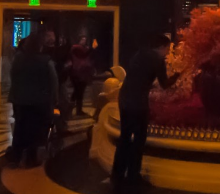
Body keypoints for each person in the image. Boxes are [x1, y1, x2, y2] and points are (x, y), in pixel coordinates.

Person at [111, 34, 178, 191]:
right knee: (139, 140)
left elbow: (138, 77)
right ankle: (133, 176)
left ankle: (117, 175)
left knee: (125, 138)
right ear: (162, 47)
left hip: (125, 99)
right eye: (167, 49)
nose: (167, 53)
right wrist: (177, 76)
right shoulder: (158, 60)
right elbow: (165, 84)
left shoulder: (139, 53)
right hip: (138, 104)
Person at [7, 32, 58, 167]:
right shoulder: (46, 61)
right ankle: (30, 158)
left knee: (20, 128)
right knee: (35, 130)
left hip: (20, 100)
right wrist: (54, 99)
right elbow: (53, 82)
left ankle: (15, 157)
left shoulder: (18, 58)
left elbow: (13, 76)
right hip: (39, 101)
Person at [70, 36, 95, 116]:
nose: (84, 41)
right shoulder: (76, 48)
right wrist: (92, 49)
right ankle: (72, 109)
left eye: (85, 40)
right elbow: (83, 55)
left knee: (79, 92)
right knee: (78, 92)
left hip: (83, 73)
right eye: (82, 39)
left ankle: (74, 109)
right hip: (77, 73)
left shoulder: (84, 48)